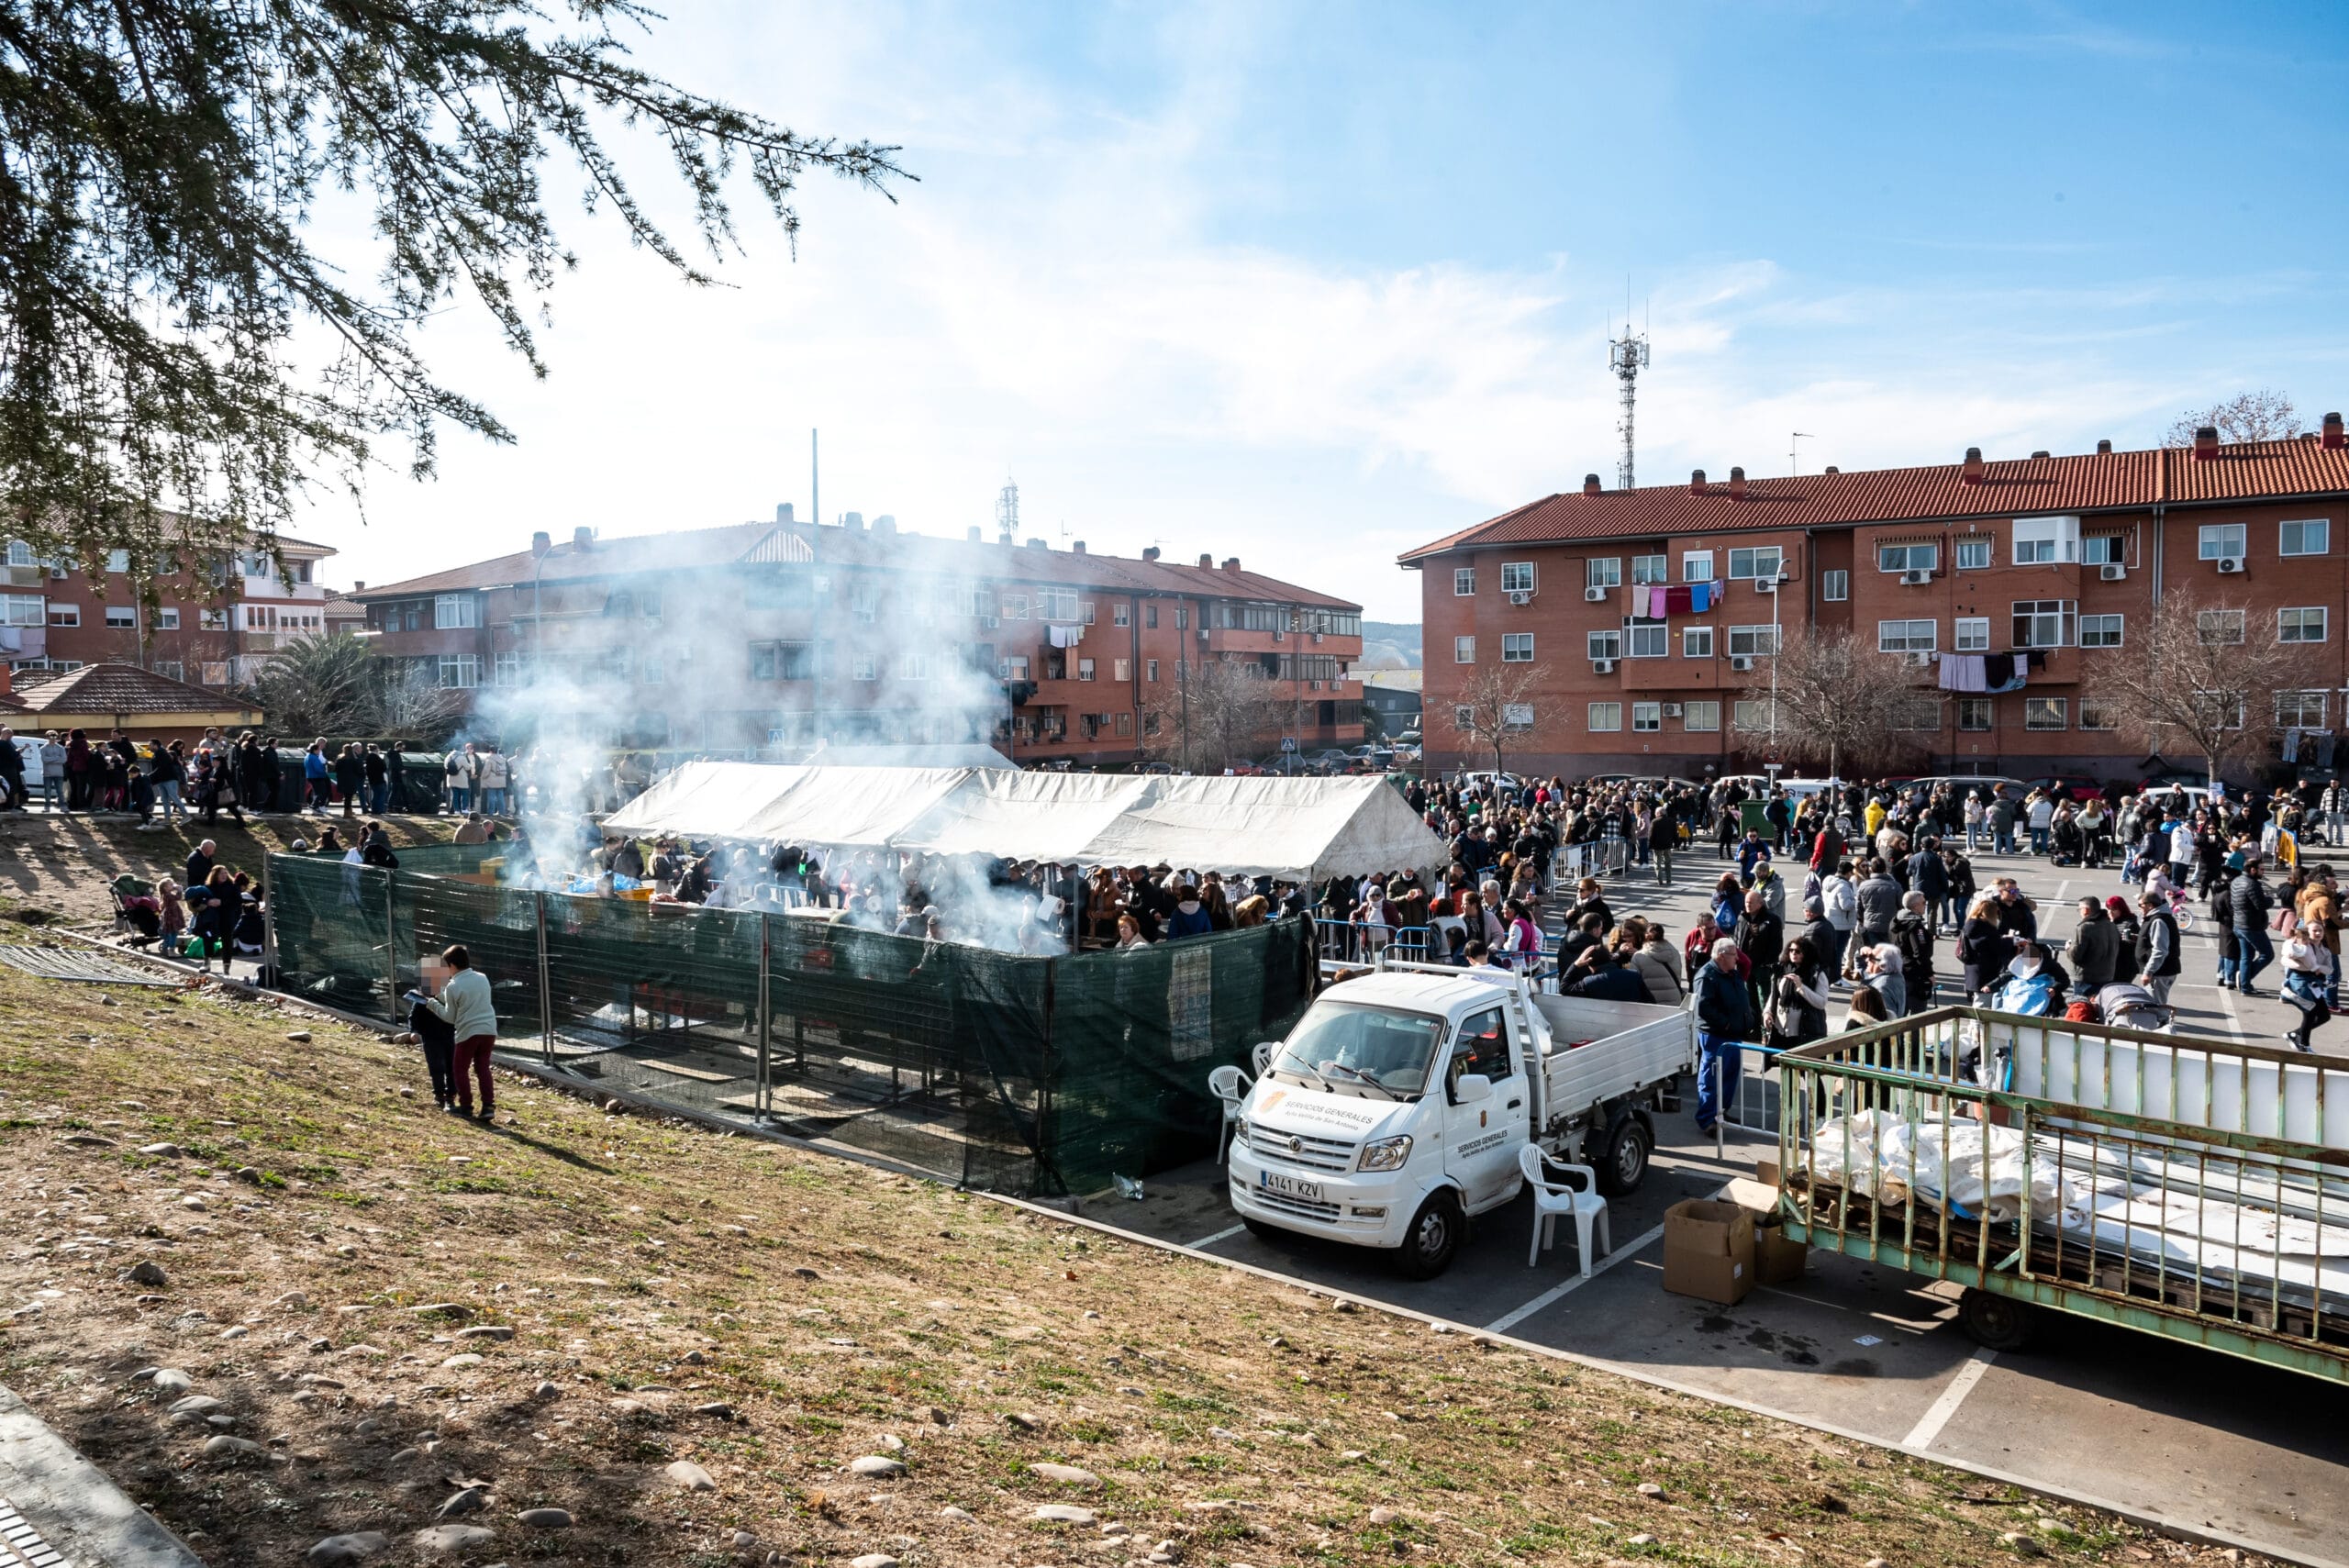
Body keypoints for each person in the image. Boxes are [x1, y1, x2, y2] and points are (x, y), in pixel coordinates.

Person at [408, 944, 498, 1121]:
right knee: (483, 1068)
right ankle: (488, 1106)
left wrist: (431, 1003)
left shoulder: (453, 986)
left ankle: (466, 1106)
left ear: (452, 966)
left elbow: (450, 1017)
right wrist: (439, 994)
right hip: (489, 1030)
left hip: (469, 1032)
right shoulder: (482, 978)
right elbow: (463, 998)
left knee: (459, 1070)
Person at [1691, 938, 1751, 1138]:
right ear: (1721, 956)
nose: (1737, 959)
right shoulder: (1706, 976)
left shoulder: (1731, 973)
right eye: (1734, 955)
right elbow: (1703, 1006)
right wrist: (1725, 1023)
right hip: (1715, 1035)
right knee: (1711, 1077)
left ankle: (1721, 1113)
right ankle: (1707, 1118)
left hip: (1732, 1034)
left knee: (1730, 1075)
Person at [1765, 936, 1831, 1051]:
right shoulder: (1783, 969)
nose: (1793, 953)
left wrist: (1801, 987)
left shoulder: (1817, 974)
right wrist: (1767, 1012)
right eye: (1791, 950)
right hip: (1780, 1029)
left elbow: (1821, 1003)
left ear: (1806, 954)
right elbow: (1775, 994)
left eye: (1798, 951)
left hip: (1803, 1031)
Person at [2229, 856, 2275, 995]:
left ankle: (2245, 986)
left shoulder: (2236, 880)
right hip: (2251, 926)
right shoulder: (2252, 884)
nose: (2263, 872)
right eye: (2261, 869)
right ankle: (2244, 980)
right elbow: (2260, 904)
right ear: (2253, 870)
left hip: (2239, 923)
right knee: (2267, 954)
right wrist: (2270, 900)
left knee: (2246, 957)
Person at [2282, 929, 2333, 1052]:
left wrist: (2316, 967)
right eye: (2314, 931)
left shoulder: (2325, 950)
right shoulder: (2300, 945)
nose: (2318, 933)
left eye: (2320, 930)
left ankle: (2295, 1034)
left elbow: (2330, 970)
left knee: (2324, 1016)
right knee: (2310, 1011)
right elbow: (2286, 957)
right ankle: (2304, 1045)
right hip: (2301, 981)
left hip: (2315, 983)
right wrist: (2303, 965)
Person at [2067, 895, 2121, 996]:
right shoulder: (2111, 925)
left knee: (2082, 1005)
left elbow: (2075, 955)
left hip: (2087, 978)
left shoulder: (2084, 928)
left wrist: (2068, 948)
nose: (2079, 912)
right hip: (2107, 976)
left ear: (2086, 910)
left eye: (2080, 909)